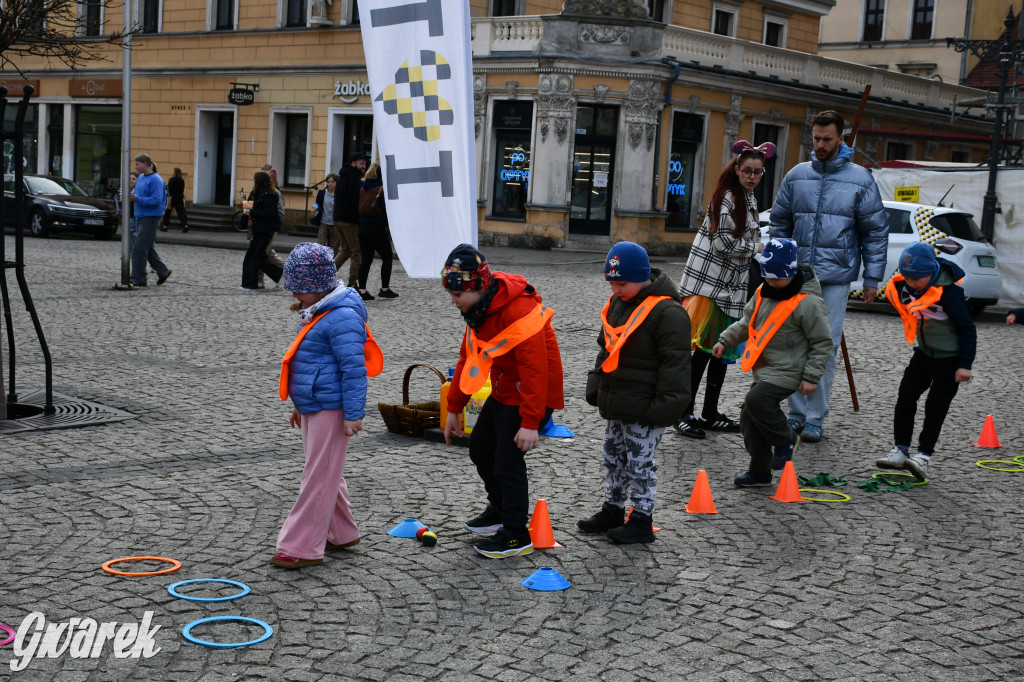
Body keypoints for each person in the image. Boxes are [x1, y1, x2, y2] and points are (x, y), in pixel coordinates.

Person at [769, 110, 888, 443]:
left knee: (825, 344)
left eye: (827, 139)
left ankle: (814, 417)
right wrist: (779, 263)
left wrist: (872, 278)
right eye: (816, 138)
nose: (819, 145)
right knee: (792, 342)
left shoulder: (861, 179)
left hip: (835, 277)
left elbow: (875, 232)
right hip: (796, 276)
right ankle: (795, 412)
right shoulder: (796, 175)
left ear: (841, 139)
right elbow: (780, 221)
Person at [441, 244, 564, 559]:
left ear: (478, 287)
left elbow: (536, 371)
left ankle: (515, 534)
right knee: (481, 447)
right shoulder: (477, 311)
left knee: (507, 461)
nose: (453, 301)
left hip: (530, 392)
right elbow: (469, 359)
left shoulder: (518, 312)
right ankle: (498, 509)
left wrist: (531, 423)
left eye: (457, 295)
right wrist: (454, 407)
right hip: (505, 386)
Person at [578, 242, 691, 544]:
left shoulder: (669, 313)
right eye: (611, 282)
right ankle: (613, 509)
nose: (615, 289)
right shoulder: (618, 303)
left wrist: (664, 409)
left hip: (647, 406)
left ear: (642, 277)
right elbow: (607, 348)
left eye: (622, 283)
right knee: (613, 456)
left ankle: (641, 518)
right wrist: (596, 383)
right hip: (620, 401)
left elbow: (676, 368)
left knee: (639, 463)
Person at [272, 243, 369, 568]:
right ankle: (341, 532)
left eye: (300, 290)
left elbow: (354, 368)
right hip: (317, 404)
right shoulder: (320, 311)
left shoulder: (341, 316)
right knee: (324, 471)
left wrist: (354, 414)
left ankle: (301, 547)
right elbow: (313, 362)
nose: (296, 296)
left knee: (318, 477)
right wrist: (302, 404)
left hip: (333, 408)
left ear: (318, 286)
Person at [675, 140, 774, 439]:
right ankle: (683, 412)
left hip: (730, 287)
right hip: (709, 286)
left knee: (721, 352)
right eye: (747, 171)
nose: (752, 176)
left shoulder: (749, 196)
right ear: (737, 168)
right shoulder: (728, 197)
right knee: (703, 352)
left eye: (758, 172)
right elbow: (723, 243)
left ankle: (709, 412)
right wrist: (754, 247)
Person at [713, 238, 832, 486]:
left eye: (777, 278)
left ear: (791, 272)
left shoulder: (808, 302)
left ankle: (786, 439)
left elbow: (822, 342)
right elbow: (747, 323)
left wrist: (811, 377)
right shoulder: (762, 291)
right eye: (767, 276)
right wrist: (725, 339)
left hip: (791, 369)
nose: (771, 282)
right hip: (765, 368)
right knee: (749, 415)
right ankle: (760, 471)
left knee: (757, 400)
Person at [875, 242, 976, 481]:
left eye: (916, 279)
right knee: (906, 396)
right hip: (923, 354)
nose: (910, 283)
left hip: (949, 361)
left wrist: (965, 364)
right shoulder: (907, 286)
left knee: (935, 407)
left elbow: (967, 329)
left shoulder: (949, 293)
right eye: (907, 278)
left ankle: (923, 456)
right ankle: (900, 450)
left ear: (931, 272)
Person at [356, 162, 398, 301]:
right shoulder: (381, 188)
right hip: (377, 226)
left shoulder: (363, 188)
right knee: (387, 256)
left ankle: (362, 290)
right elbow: (386, 208)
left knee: (366, 259)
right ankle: (384, 289)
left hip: (363, 227)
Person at [129, 153, 172, 288]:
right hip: (140, 216)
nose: (135, 167)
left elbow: (156, 200)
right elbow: (139, 194)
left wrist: (137, 199)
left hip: (151, 217)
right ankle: (163, 272)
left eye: (137, 164)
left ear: (145, 164)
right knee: (147, 248)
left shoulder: (156, 180)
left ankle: (138, 278)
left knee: (139, 248)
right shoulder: (141, 178)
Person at [241, 171, 284, 290]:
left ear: (259, 182)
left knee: (257, 256)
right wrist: (245, 210)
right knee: (257, 256)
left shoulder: (269, 195)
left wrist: (252, 212)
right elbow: (248, 209)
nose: (253, 183)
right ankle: (253, 282)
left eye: (254, 180)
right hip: (254, 228)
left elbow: (269, 213)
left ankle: (252, 283)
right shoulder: (254, 194)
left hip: (265, 230)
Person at [334, 152, 367, 287]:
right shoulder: (354, 179)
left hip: (338, 218)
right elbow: (356, 201)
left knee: (346, 250)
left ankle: (325, 275)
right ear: (353, 163)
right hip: (349, 221)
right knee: (356, 251)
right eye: (361, 163)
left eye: (365, 164)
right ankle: (353, 283)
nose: (364, 166)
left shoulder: (343, 176)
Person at [314, 173, 339, 255]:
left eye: (332, 182)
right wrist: (314, 208)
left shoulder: (340, 195)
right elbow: (317, 204)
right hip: (323, 223)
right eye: (328, 182)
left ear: (336, 183)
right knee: (320, 246)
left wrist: (338, 204)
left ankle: (331, 266)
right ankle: (320, 265)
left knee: (333, 249)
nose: (330, 184)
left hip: (335, 224)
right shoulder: (322, 193)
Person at [162, 167, 188, 233]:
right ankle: (185, 226)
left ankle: (165, 226)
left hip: (172, 199)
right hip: (179, 199)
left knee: (167, 213)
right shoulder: (181, 180)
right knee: (181, 213)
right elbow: (182, 189)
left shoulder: (172, 179)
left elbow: (169, 189)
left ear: (174, 172)